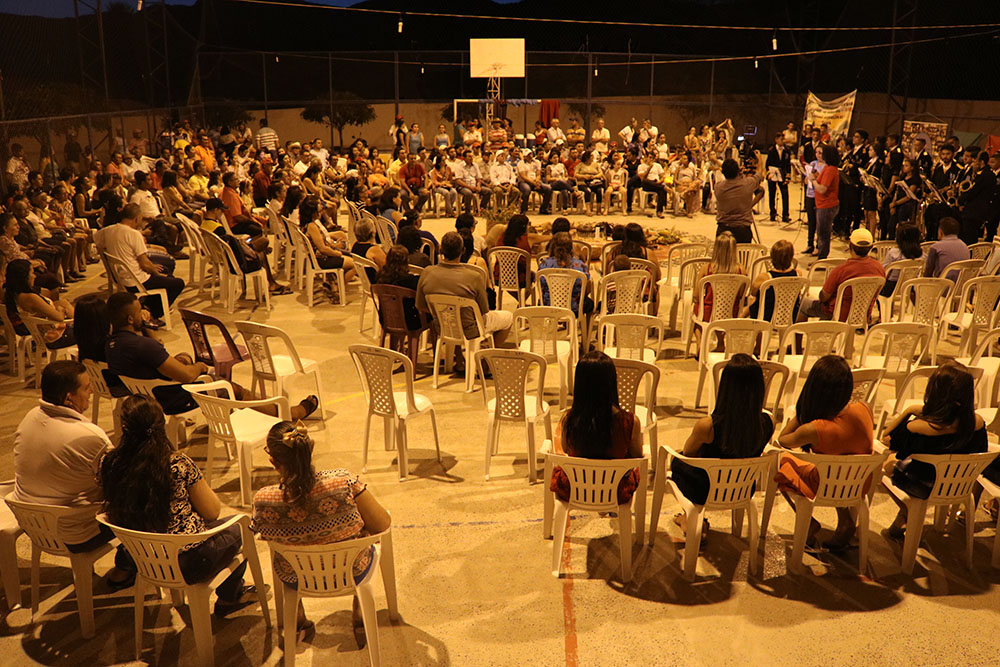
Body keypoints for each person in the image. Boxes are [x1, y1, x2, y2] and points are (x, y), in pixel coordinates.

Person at [99, 395, 260, 617]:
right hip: (188, 562)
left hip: (141, 559)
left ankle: (231, 594)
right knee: (244, 525)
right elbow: (213, 511)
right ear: (160, 425)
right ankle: (229, 597)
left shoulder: (109, 462)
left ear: (124, 426)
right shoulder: (177, 464)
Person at [252, 421, 391, 645]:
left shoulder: (264, 501)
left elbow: (264, 534)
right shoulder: (343, 482)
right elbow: (382, 524)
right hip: (351, 569)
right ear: (310, 449)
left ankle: (297, 619)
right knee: (360, 531)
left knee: (286, 551)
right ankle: (359, 609)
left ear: (273, 462)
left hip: (297, 577)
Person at [11, 360, 135, 586]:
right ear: (69, 398)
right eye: (87, 388)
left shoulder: (29, 416)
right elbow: (121, 486)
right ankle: (127, 566)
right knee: (143, 496)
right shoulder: (89, 436)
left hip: (34, 526)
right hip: (75, 533)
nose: (91, 391)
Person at [775, 354, 874, 550]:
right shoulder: (864, 409)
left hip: (826, 486)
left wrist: (803, 411)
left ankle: (809, 523)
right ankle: (846, 521)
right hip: (859, 483)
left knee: (781, 462)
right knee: (839, 464)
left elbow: (783, 439)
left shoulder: (814, 428)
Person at [881, 361, 987, 538]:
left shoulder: (918, 428)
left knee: (888, 464)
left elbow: (886, 439)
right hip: (958, 485)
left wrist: (909, 411)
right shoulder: (976, 424)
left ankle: (907, 511)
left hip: (924, 486)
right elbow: (981, 450)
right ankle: (905, 517)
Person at [670, 354, 773, 535]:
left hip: (705, 490)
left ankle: (689, 517)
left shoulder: (708, 425)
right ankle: (689, 519)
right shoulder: (768, 422)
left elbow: (688, 453)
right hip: (743, 488)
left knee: (675, 459)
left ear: (725, 387)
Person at [550, 351, 643, 505]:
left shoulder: (569, 419)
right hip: (615, 492)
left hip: (575, 490)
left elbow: (566, 450)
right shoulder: (630, 422)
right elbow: (637, 456)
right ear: (612, 382)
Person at [416, 231, 512, 349]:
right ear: (463, 251)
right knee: (508, 317)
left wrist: (442, 313)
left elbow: (421, 305)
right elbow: (484, 309)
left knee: (455, 312)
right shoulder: (474, 276)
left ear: (441, 251)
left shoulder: (427, 273)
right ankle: (487, 359)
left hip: (443, 327)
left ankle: (460, 358)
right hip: (470, 329)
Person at [98, 203, 184, 325]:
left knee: (164, 270)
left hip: (120, 277)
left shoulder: (107, 230)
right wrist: (157, 273)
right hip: (136, 281)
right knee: (176, 283)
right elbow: (145, 264)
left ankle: (146, 305)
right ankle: (152, 313)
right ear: (137, 218)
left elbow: (97, 242)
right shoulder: (134, 234)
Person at [797, 228, 885, 322]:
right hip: (862, 316)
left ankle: (797, 336)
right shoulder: (880, 269)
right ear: (871, 248)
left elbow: (824, 297)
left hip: (837, 315)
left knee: (803, 304)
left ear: (850, 246)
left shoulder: (841, 270)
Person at [4, 259, 74, 348]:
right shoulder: (30, 297)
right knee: (88, 328)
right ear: (24, 276)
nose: (35, 276)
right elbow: (59, 317)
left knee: (64, 303)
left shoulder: (12, 293)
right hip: (51, 337)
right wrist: (61, 310)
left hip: (35, 330)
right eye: (32, 273)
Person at [694, 231, 744, 321]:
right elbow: (741, 295)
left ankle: (704, 335)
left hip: (709, 312)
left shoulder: (707, 269)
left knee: (695, 322)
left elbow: (697, 296)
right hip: (732, 312)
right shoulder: (741, 270)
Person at [538, 232, 592, 314]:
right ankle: (585, 326)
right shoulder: (580, 266)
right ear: (571, 248)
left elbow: (541, 286)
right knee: (589, 302)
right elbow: (586, 288)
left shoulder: (544, 265)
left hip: (548, 306)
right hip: (574, 309)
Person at [745, 240, 799, 320]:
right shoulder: (798, 275)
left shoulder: (765, 277)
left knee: (753, 300)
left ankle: (740, 319)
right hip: (789, 316)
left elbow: (753, 292)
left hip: (767, 317)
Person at [715, 157, 764, 243]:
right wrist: (759, 158)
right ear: (737, 171)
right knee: (743, 256)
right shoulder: (747, 184)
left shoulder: (718, 187)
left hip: (723, 229)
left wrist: (738, 174)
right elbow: (759, 174)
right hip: (743, 230)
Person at [807, 144, 841, 259]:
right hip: (822, 204)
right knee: (821, 233)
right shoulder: (827, 167)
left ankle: (821, 259)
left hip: (827, 205)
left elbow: (822, 189)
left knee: (823, 235)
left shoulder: (831, 169)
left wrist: (813, 180)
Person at [880, 223, 924, 296]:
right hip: (911, 288)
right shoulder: (923, 256)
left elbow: (884, 272)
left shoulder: (893, 253)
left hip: (891, 289)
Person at [922, 216, 970, 281]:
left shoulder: (935, 247)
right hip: (961, 286)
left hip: (942, 286)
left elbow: (928, 273)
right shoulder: (965, 246)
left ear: (940, 231)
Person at [350, 217, 387, 282]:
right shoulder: (374, 250)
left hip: (366, 281)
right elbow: (387, 268)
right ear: (372, 232)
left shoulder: (355, 246)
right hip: (378, 283)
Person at [766, 133, 792, 222]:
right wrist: (768, 173)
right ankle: (772, 213)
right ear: (776, 140)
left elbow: (788, 164)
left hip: (783, 174)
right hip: (773, 173)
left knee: (785, 194)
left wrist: (788, 176)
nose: (783, 141)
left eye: (783, 139)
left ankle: (785, 215)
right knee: (772, 194)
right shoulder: (771, 150)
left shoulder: (787, 150)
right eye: (781, 139)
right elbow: (768, 163)